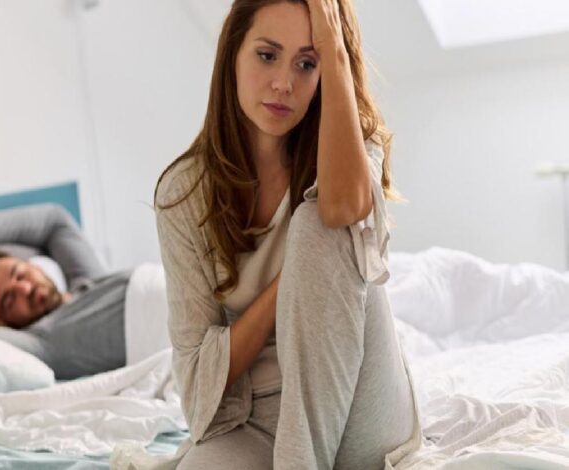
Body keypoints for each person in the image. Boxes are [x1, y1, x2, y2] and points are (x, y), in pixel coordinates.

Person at [153, 0, 421, 468]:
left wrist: (336, 50)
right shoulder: (183, 194)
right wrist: (290, 285)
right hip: (257, 417)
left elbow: (342, 210)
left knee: (320, 225)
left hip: (360, 396)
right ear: (232, 55)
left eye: (306, 62)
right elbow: (198, 378)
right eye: (266, 55)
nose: (284, 83)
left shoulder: (352, 149)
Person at [0, 203, 131, 380]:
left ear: (36, 267)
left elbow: (55, 221)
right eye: (9, 299)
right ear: (5, 323)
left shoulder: (89, 281)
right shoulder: (42, 343)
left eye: (19, 274)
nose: (25, 289)